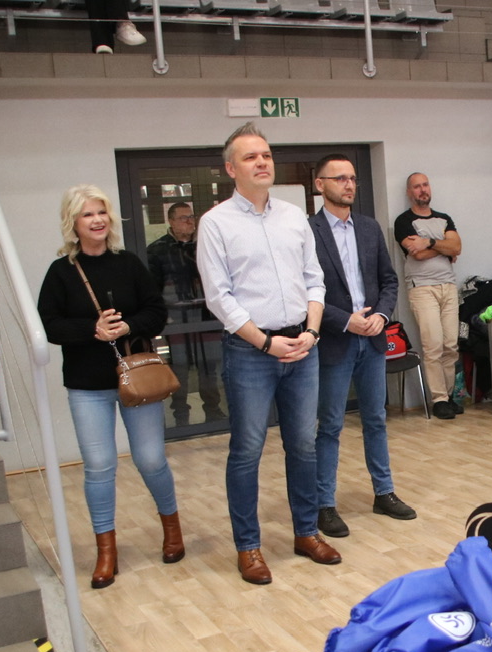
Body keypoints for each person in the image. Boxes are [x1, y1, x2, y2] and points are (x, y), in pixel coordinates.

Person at [196, 122, 340, 585]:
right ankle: (249, 546)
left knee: (303, 445)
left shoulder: (294, 217)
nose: (262, 162)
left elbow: (314, 280)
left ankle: (306, 532)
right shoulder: (216, 223)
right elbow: (219, 298)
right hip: (250, 353)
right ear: (230, 169)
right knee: (247, 450)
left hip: (302, 346)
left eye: (266, 155)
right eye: (250, 157)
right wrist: (264, 341)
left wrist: (312, 332)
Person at [38, 184, 182, 590]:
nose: (97, 220)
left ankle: (172, 529)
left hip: (138, 379)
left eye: (101, 212)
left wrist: (127, 326)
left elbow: (157, 311)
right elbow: (50, 325)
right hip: (87, 386)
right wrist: (93, 329)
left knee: (151, 459)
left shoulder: (129, 263)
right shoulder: (60, 272)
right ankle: (106, 551)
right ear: (73, 223)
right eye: (88, 214)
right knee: (99, 466)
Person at [308, 155, 418, 540]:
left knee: (376, 419)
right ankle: (324, 504)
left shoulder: (369, 228)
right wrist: (345, 319)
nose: (349, 185)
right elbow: (304, 291)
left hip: (372, 339)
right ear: (320, 184)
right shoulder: (307, 231)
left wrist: (383, 316)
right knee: (330, 426)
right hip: (335, 341)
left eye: (352, 178)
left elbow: (389, 281)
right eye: (340, 178)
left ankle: (384, 493)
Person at [147, 202, 225, 428]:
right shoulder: (157, 250)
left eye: (192, 217)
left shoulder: (204, 246)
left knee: (208, 367)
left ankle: (213, 411)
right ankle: (180, 415)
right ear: (171, 221)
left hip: (206, 317)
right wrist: (164, 316)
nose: (190, 221)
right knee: (179, 367)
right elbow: (154, 289)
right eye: (183, 218)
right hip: (176, 319)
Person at [395, 172, 463, 421]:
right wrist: (443, 247)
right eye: (417, 186)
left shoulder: (444, 218)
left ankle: (449, 395)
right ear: (409, 192)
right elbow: (418, 254)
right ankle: (439, 399)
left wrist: (430, 242)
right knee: (433, 345)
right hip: (422, 288)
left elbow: (457, 247)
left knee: (450, 345)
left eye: (425, 185)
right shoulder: (404, 221)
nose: (422, 189)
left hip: (448, 286)